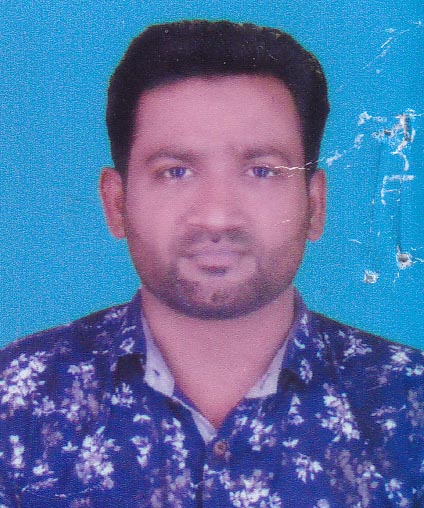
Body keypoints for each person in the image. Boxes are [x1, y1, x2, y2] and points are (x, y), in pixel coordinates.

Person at [0, 20, 422, 508]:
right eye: (175, 172)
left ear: (315, 204)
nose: (217, 216)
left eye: (261, 171)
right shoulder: (16, 402)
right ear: (117, 203)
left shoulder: (409, 404)